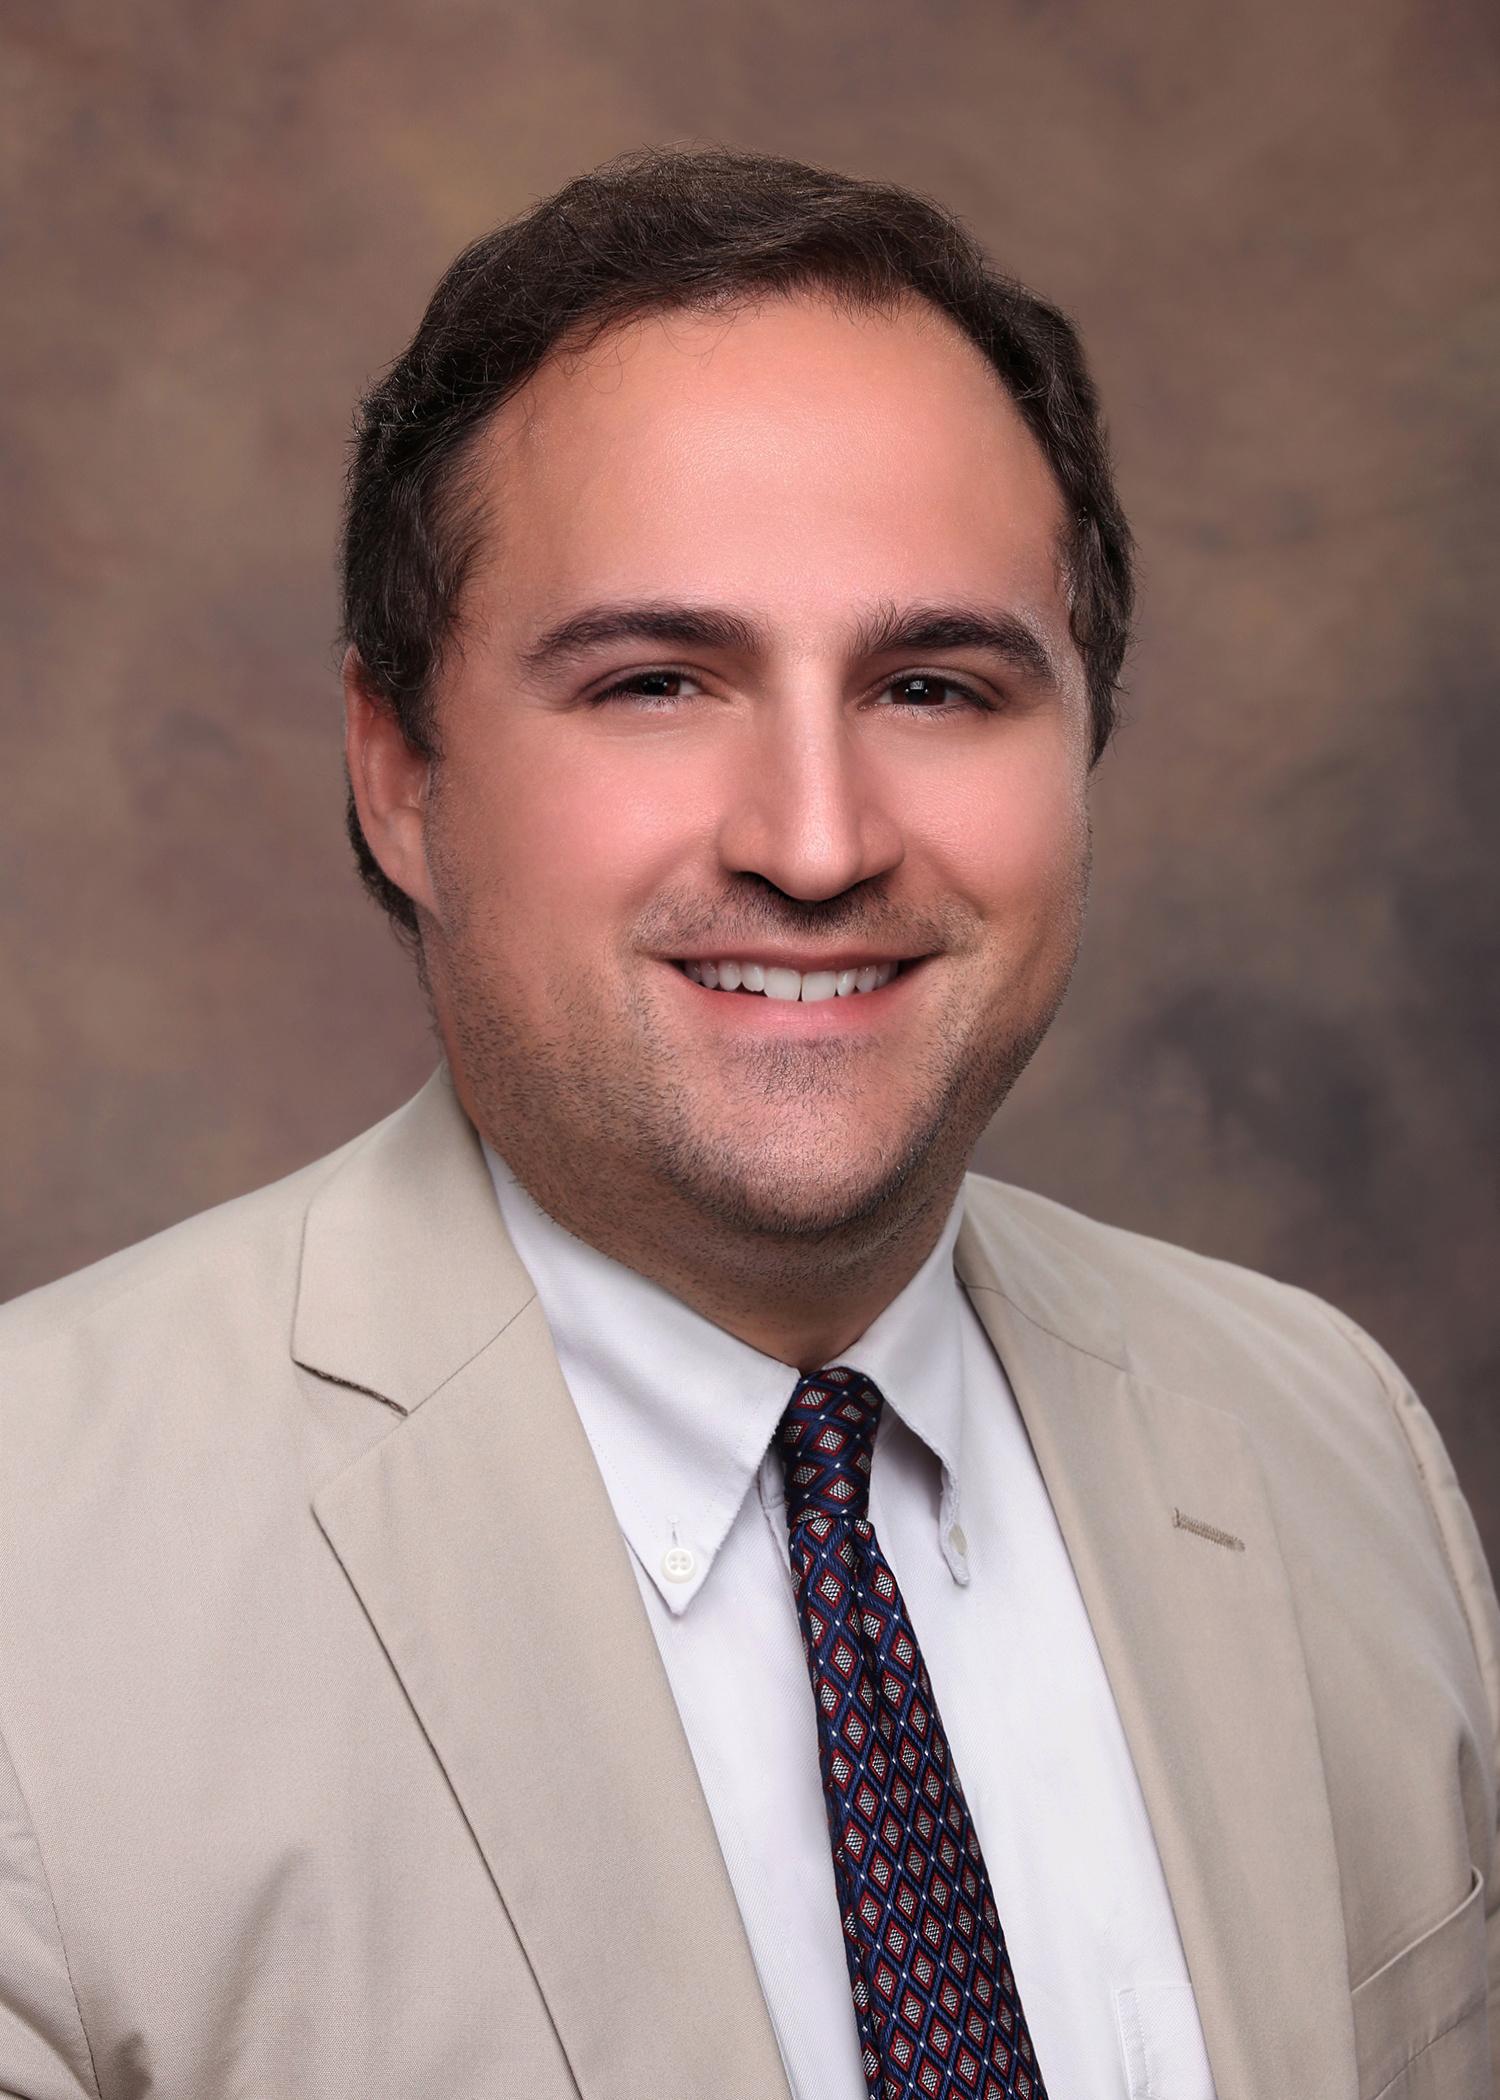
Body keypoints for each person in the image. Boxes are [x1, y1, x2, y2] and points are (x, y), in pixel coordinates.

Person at [0, 148, 1493, 2100]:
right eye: (656, 681)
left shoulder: (1329, 1437)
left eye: (938, 685)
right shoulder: (37, 1580)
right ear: (397, 774)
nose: (816, 839)